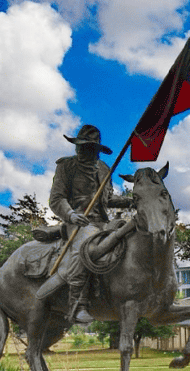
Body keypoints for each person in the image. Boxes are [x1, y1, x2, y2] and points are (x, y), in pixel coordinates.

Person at [35, 125, 132, 324]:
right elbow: (56, 198)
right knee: (87, 246)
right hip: (79, 222)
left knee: (130, 237)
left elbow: (106, 200)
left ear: (96, 149)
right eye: (80, 146)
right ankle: (78, 304)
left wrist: (131, 200)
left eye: (88, 147)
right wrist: (70, 215)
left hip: (103, 223)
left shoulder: (105, 169)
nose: (82, 151)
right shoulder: (66, 166)